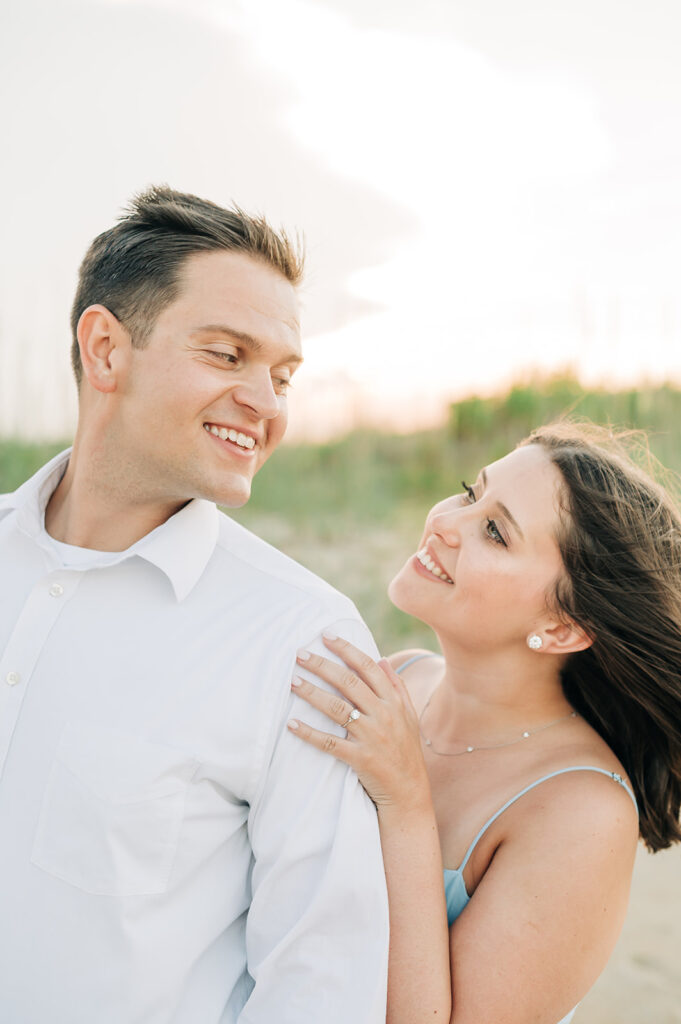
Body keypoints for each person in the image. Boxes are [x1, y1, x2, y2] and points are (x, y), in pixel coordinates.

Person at [0, 186, 389, 1022]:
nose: (267, 402)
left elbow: (321, 982)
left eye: (282, 375)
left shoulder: (302, 640)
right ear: (106, 350)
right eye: (227, 355)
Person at [289, 422, 681, 1024]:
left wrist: (405, 800)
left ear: (560, 629)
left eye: (495, 532)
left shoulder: (582, 811)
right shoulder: (397, 680)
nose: (444, 523)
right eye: (471, 493)